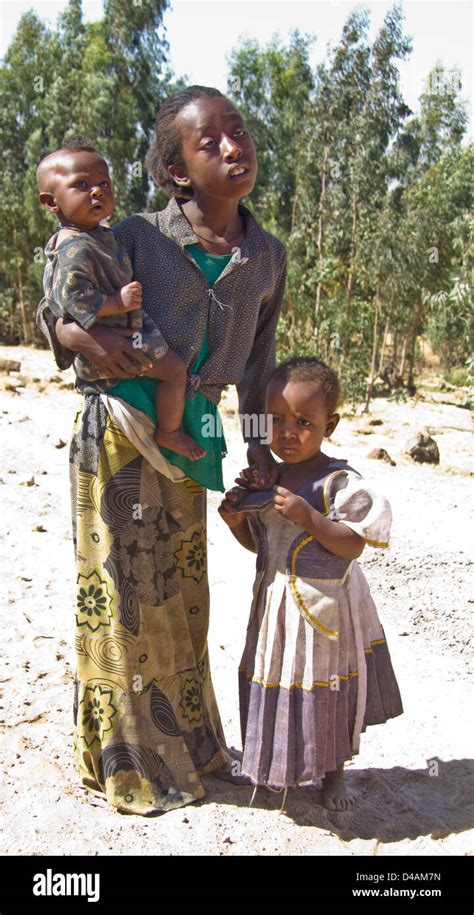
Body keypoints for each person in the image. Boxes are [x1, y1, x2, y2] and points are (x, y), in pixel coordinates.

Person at [36, 85, 286, 815]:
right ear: (177, 172)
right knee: (123, 596)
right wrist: (86, 337)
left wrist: (261, 452)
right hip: (118, 427)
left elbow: (259, 368)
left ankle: (194, 746)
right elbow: (64, 288)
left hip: (191, 439)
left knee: (181, 593)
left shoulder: (265, 256)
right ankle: (130, 765)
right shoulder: (136, 237)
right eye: (210, 142)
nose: (233, 148)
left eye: (238, 132)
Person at [218, 357, 403, 812]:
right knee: (278, 680)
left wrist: (309, 516)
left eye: (303, 422)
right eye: (277, 420)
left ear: (330, 425)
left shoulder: (337, 481)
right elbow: (261, 547)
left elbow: (353, 545)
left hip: (325, 609)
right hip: (276, 606)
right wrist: (236, 520)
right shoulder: (270, 479)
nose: (288, 433)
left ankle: (333, 774)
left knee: (325, 686)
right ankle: (271, 765)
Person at [36, 139, 206, 462]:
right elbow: (71, 301)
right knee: (174, 372)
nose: (97, 191)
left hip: (123, 340)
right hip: (120, 343)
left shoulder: (102, 236)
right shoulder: (74, 249)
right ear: (50, 202)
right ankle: (168, 432)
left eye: (103, 183)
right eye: (81, 185)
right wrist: (118, 300)